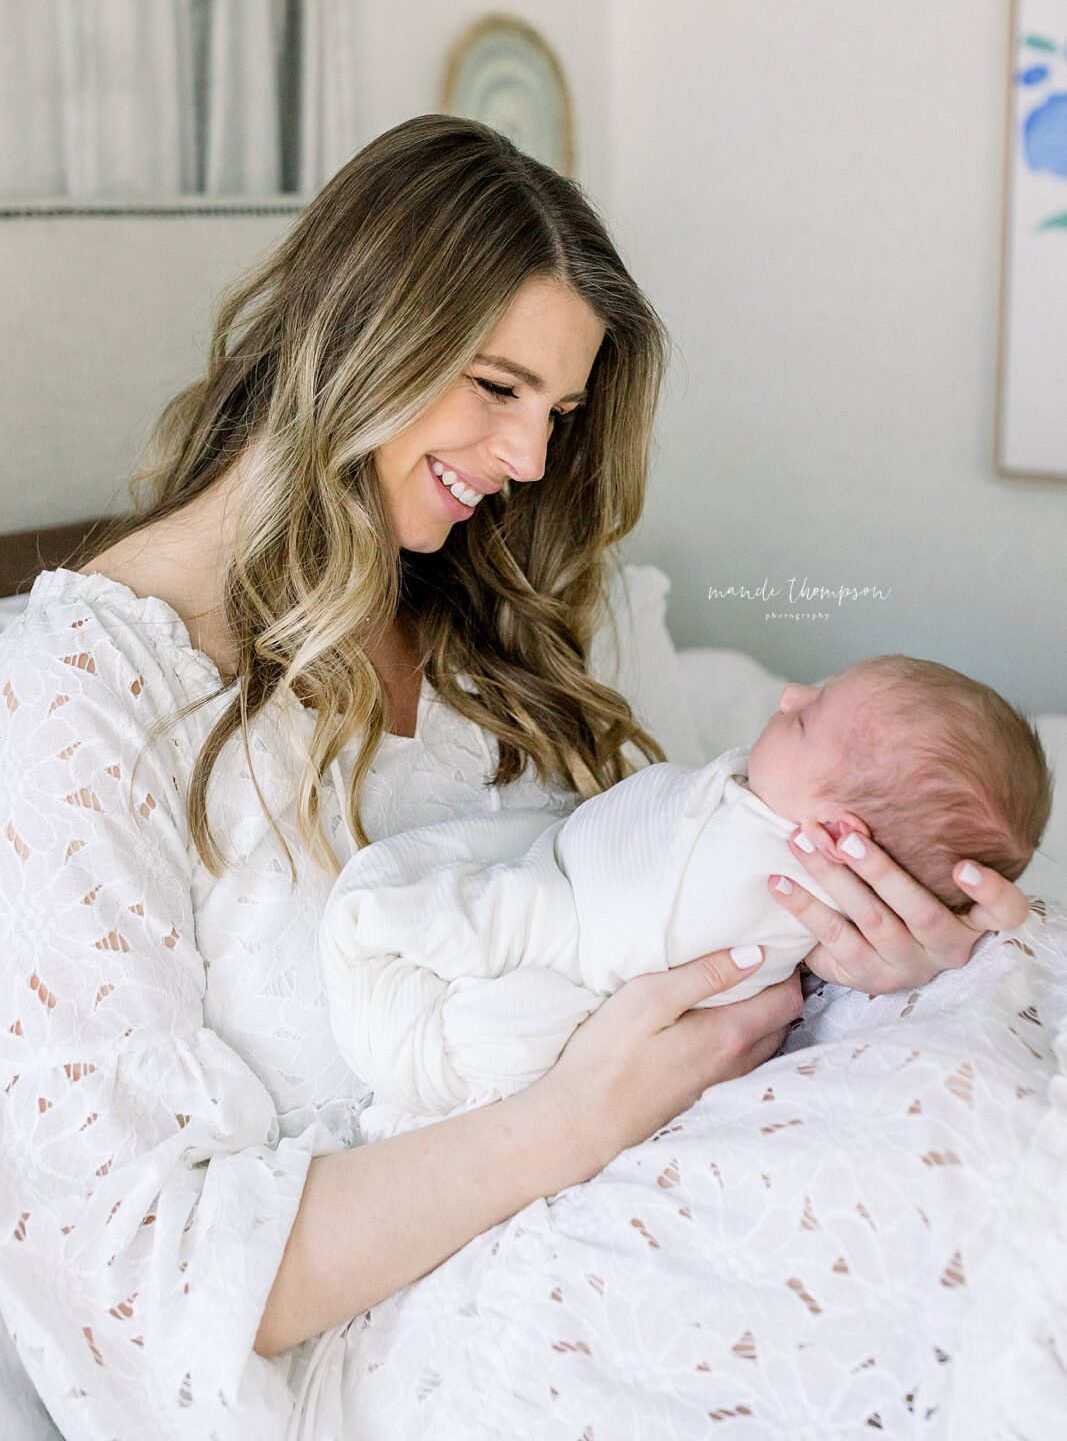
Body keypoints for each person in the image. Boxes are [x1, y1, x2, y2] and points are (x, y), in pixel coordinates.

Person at [0, 115, 1030, 1440]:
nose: (533, 461)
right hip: (413, 1351)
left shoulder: (512, 620)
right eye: (495, 389)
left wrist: (852, 964)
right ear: (349, 335)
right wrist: (577, 1116)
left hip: (651, 1217)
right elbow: (139, 1282)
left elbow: (668, 927)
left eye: (555, 410)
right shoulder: (72, 704)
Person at [319, 653, 1051, 1138]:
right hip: (563, 880)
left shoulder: (754, 877)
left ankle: (417, 966)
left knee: (504, 922)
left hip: (580, 938)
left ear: (836, 833)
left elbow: (619, 933)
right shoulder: (764, 817)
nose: (789, 695)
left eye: (804, 718)